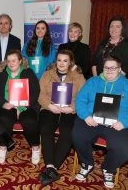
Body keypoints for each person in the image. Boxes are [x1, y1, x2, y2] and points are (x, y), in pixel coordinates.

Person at [72, 56, 128, 188]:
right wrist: (86, 116)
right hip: (92, 119)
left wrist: (124, 122)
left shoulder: (126, 84)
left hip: (116, 123)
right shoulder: (93, 81)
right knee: (77, 135)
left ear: (119, 69)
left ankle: (109, 169)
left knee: (124, 148)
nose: (109, 70)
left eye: (113, 68)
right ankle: (87, 163)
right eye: (106, 67)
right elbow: (80, 100)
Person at [38, 50, 85, 186]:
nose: (61, 63)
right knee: (46, 129)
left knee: (67, 132)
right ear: (55, 61)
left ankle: (52, 168)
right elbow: (40, 94)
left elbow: (83, 96)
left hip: (69, 110)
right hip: (49, 108)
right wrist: (49, 105)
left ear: (70, 62)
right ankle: (50, 166)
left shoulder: (78, 76)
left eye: (65, 60)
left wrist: (71, 107)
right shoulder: (47, 74)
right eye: (59, 60)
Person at [0, 50, 40, 165]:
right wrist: (4, 104)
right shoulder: (2, 74)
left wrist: (22, 107)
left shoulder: (28, 73)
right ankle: (2, 147)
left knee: (29, 120)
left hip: (26, 106)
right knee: (4, 119)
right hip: (8, 105)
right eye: (8, 61)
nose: (11, 63)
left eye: (14, 60)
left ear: (20, 61)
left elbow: (35, 92)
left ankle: (35, 147)